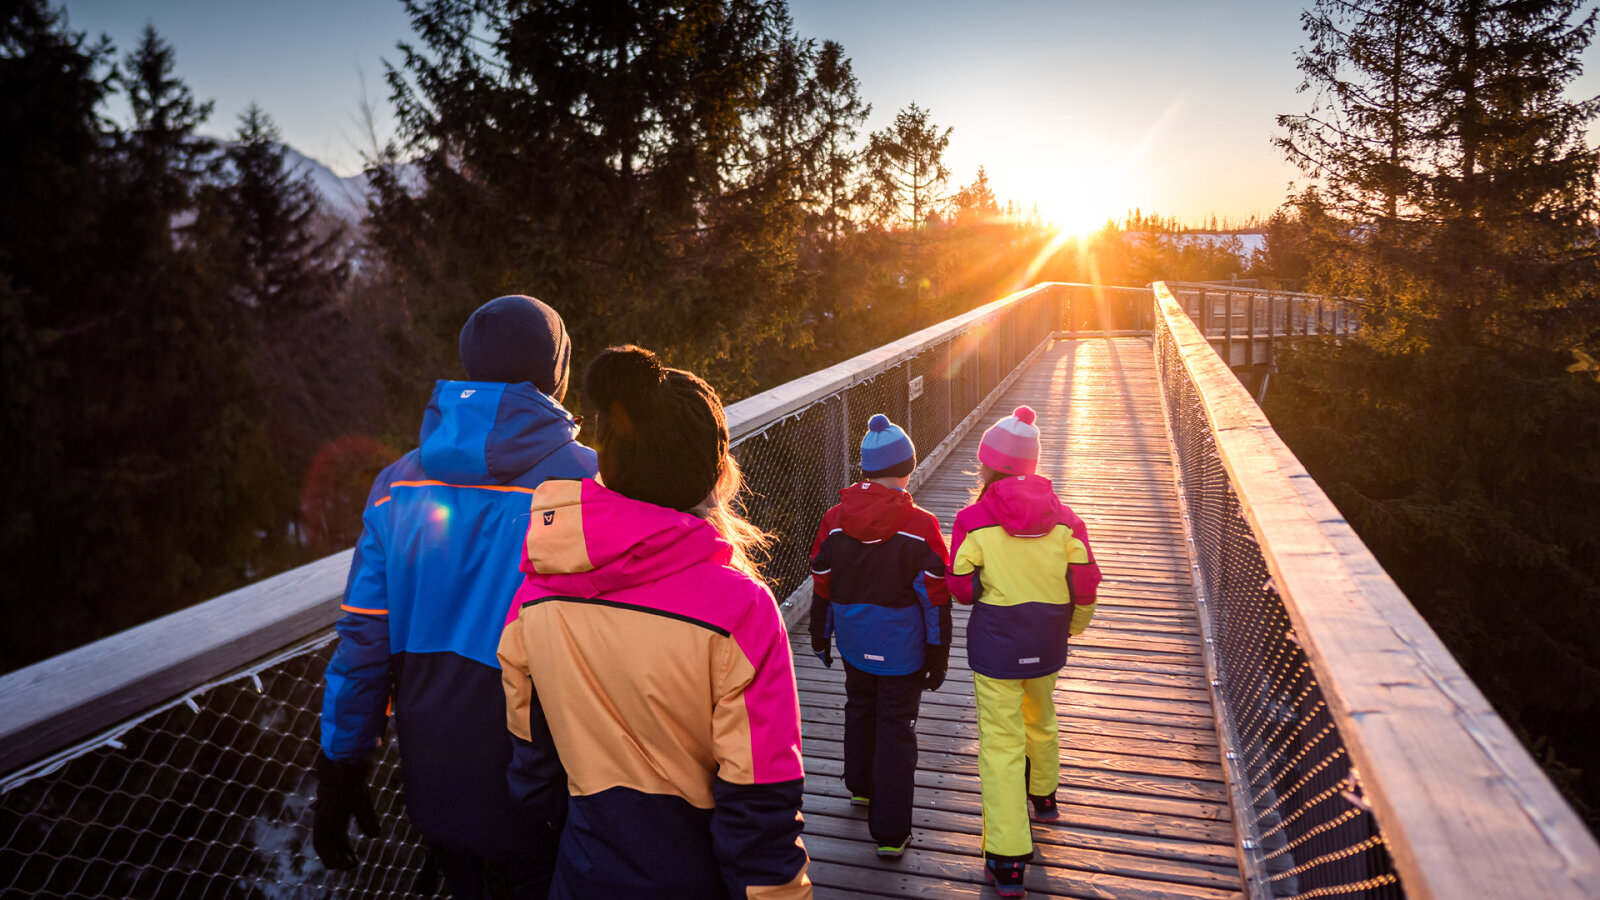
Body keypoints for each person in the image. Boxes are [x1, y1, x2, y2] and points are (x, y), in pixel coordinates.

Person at [497, 345, 812, 900]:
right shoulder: (742, 610)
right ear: (715, 471)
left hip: (582, 874)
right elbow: (760, 804)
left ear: (609, 462)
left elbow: (534, 765)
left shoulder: (534, 595)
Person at [315, 295, 598, 899]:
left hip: (437, 786)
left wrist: (342, 765)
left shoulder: (395, 486)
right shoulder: (593, 485)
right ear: (557, 371)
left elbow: (363, 643)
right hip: (555, 791)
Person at [948, 405, 1101, 899]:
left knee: (1001, 744)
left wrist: (982, 582)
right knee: (1041, 711)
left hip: (997, 647)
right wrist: (1071, 627)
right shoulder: (1067, 520)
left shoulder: (972, 520)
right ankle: (1045, 797)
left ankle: (1008, 858)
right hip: (1047, 639)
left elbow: (961, 588)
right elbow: (1086, 583)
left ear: (987, 466)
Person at [807, 413, 952, 858]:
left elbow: (821, 581)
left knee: (859, 706)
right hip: (902, 653)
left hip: (854, 644)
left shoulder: (834, 520)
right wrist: (938, 654)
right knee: (896, 730)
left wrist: (820, 634)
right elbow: (935, 597)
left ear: (866, 470)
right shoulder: (921, 526)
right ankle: (890, 835)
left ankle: (860, 786)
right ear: (907, 469)